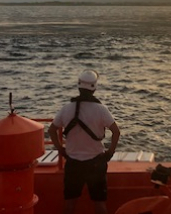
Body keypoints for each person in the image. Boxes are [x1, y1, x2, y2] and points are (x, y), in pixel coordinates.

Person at [49, 70, 120, 214]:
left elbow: (51, 130)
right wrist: (110, 152)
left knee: (70, 204)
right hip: (96, 163)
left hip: (73, 163)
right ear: (95, 87)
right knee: (100, 204)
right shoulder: (101, 109)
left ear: (79, 86)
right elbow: (116, 132)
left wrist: (60, 149)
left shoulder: (67, 108)